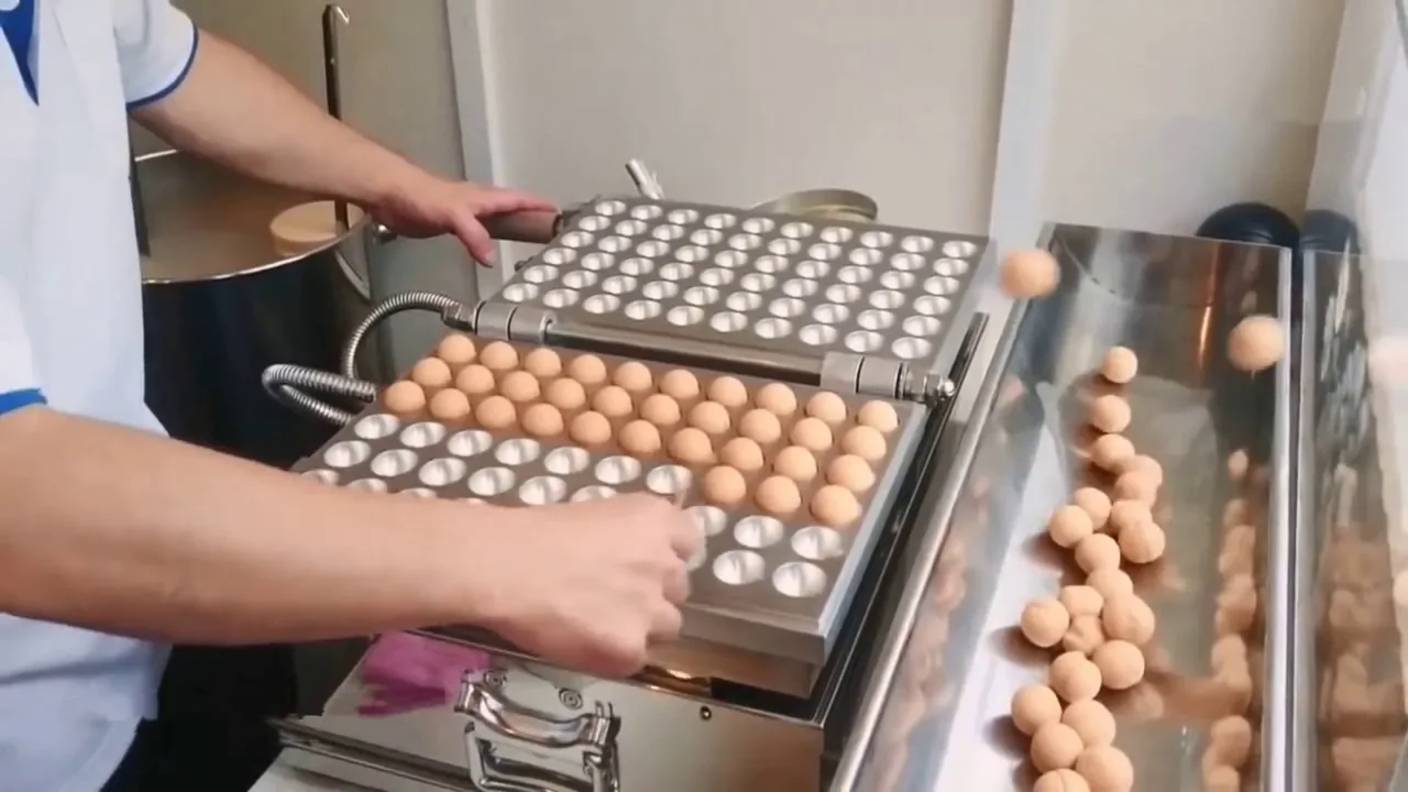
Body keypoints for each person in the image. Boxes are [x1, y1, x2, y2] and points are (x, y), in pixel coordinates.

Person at [0, 1, 700, 789]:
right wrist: (514, 561)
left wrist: (395, 182)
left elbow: (175, 65)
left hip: (128, 636)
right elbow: (19, 498)